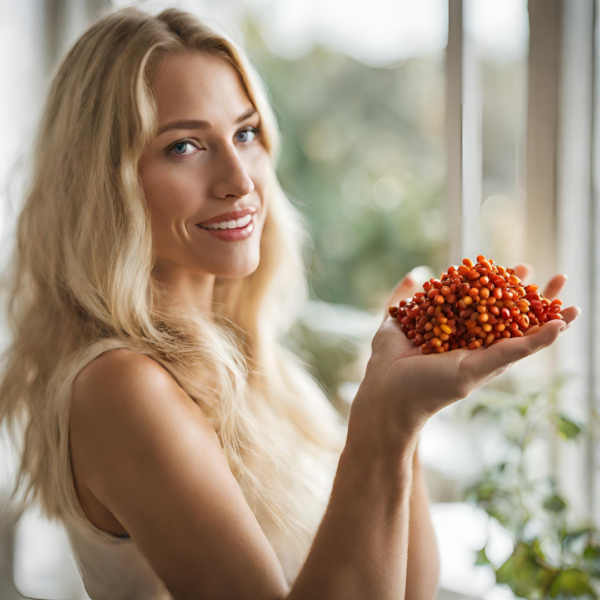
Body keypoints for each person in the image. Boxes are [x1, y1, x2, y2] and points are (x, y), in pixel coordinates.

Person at [0, 5, 580, 600]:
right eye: (184, 146)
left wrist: (395, 409)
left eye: (245, 133)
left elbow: (410, 588)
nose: (240, 179)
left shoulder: (255, 362)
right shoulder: (122, 386)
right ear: (104, 180)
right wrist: (383, 421)